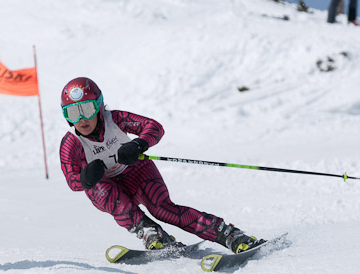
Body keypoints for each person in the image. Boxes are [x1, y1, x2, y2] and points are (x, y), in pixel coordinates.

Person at [59, 77, 265, 253]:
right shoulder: (70, 144)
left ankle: (230, 235)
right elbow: (72, 181)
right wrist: (86, 177)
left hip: (136, 172)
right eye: (73, 113)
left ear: (98, 106)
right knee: (99, 187)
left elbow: (154, 127)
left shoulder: (114, 119)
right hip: (109, 188)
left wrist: (138, 144)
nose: (82, 119)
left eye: (86, 109)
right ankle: (149, 232)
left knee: (163, 209)